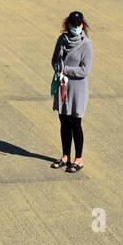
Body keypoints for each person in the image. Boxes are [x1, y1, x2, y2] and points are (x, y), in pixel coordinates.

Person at [51, 11, 93, 173]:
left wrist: (65, 70)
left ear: (82, 25)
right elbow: (55, 59)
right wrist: (58, 69)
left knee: (75, 123)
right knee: (64, 121)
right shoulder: (62, 39)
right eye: (73, 24)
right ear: (68, 24)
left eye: (79, 25)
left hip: (77, 89)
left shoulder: (86, 44)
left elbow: (84, 70)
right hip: (62, 86)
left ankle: (79, 159)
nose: (76, 27)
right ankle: (65, 156)